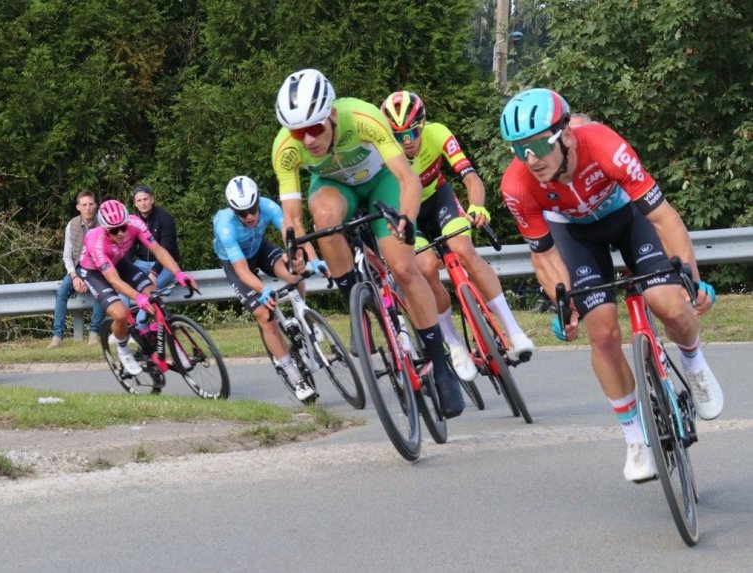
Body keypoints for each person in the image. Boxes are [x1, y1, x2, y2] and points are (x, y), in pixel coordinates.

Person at [498, 87, 723, 482]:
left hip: (627, 219)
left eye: (536, 145)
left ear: (565, 135)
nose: (529, 159)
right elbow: (546, 256)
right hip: (575, 238)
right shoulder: (517, 186)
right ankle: (635, 438)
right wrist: (563, 304)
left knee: (668, 303)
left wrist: (690, 277)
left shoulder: (605, 146)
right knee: (600, 330)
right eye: (519, 149)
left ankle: (694, 362)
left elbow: (663, 218)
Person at [272, 69, 464, 417]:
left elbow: (408, 178)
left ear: (331, 114)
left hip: (382, 183)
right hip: (336, 190)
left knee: (405, 267)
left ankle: (441, 365)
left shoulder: (361, 117)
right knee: (324, 217)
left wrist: (405, 219)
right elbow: (292, 215)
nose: (309, 140)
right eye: (299, 132)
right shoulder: (286, 148)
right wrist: (296, 250)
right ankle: (356, 306)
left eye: (315, 128)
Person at [380, 91, 535, 380]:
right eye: (399, 136)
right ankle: (454, 345)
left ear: (423, 126)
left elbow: (470, 176)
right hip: (409, 213)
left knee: (462, 248)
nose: (408, 141)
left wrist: (477, 206)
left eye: (413, 132)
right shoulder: (384, 154)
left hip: (440, 200)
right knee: (426, 268)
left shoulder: (438, 133)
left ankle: (514, 331)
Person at [212, 176, 315, 403]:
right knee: (265, 315)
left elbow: (291, 237)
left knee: (294, 276)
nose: (249, 216)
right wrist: (263, 289)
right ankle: (294, 376)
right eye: (242, 213)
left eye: (252, 209)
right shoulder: (225, 227)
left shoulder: (268, 206)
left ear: (258, 201)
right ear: (233, 210)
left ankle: (301, 318)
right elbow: (242, 271)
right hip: (236, 262)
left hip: (259, 249)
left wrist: (300, 257)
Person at [76, 199, 196, 376]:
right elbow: (114, 281)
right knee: (120, 314)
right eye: (114, 230)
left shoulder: (135, 223)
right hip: (94, 273)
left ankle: (172, 344)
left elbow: (159, 251)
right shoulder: (96, 240)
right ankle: (123, 350)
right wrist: (137, 297)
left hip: (119, 262)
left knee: (154, 298)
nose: (121, 233)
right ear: (105, 228)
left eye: (123, 227)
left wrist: (179, 274)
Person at [48, 191, 106, 348]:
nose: (88, 208)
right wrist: (74, 277)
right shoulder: (71, 225)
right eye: (84, 205)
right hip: (79, 268)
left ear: (95, 205)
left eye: (91, 204)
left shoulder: (103, 223)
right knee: (61, 292)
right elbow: (67, 256)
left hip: (98, 268)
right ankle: (57, 336)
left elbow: (109, 252)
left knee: (99, 292)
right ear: (78, 207)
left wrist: (92, 277)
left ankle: (94, 333)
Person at [130, 184, 181, 290]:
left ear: (152, 199)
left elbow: (166, 250)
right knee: (125, 285)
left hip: (166, 264)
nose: (143, 203)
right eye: (139, 201)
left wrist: (154, 272)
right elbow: (130, 249)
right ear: (135, 203)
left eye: (145, 199)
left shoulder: (165, 218)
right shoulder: (134, 222)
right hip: (142, 264)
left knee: (150, 289)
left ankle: (152, 303)